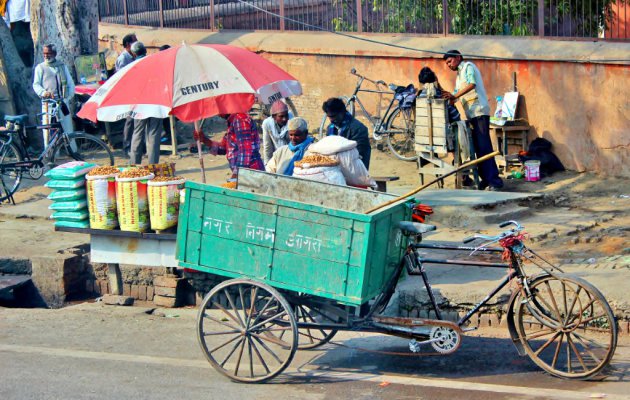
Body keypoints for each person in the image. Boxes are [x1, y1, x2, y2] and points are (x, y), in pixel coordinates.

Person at [441, 50, 503, 191]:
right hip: (471, 114)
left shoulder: (468, 66)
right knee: (477, 148)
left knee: (484, 147)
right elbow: (456, 95)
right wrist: (450, 98)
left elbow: (472, 84)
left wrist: (454, 95)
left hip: (479, 111)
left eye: (450, 61)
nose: (449, 65)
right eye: (447, 64)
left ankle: (495, 181)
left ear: (458, 57)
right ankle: (486, 180)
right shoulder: (458, 76)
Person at [194, 113, 264, 180]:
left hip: (251, 174)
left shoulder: (240, 119)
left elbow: (245, 153)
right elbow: (223, 148)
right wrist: (204, 140)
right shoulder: (232, 122)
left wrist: (235, 177)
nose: (218, 114)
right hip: (244, 174)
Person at [32, 43, 75, 148]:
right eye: (44, 53)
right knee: (48, 130)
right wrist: (43, 92)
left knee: (67, 127)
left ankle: (72, 151)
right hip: (48, 105)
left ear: (54, 54)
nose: (46, 56)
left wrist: (67, 98)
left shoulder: (61, 66)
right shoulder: (40, 67)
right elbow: (36, 84)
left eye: (49, 53)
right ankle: (50, 154)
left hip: (62, 103)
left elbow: (70, 83)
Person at [128, 42, 162, 165]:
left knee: (137, 132)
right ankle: (152, 165)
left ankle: (134, 165)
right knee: (153, 134)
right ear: (145, 50)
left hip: (140, 103)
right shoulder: (154, 63)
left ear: (133, 53)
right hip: (155, 102)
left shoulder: (133, 66)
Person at [322, 97, 371, 169]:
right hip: (336, 167)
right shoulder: (331, 128)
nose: (332, 119)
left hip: (355, 168)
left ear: (342, 112)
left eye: (334, 116)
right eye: (330, 117)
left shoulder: (358, 129)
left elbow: (358, 154)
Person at [116, 33, 137, 156]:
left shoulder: (133, 56)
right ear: (128, 45)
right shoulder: (123, 58)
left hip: (136, 92)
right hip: (128, 93)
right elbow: (121, 77)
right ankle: (127, 146)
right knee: (130, 120)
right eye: (134, 42)